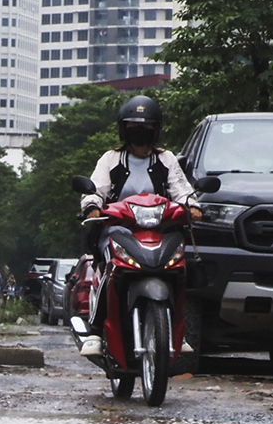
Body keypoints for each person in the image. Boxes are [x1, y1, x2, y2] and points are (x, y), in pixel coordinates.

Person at [76, 95, 201, 355]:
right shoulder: (110, 159)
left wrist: (193, 206)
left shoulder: (166, 159)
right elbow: (95, 188)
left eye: (146, 126)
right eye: (134, 126)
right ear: (124, 129)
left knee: (180, 270)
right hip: (118, 230)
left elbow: (182, 189)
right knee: (110, 270)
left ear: (156, 129)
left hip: (161, 231)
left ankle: (178, 328)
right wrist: (92, 206)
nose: (140, 131)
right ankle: (96, 331)